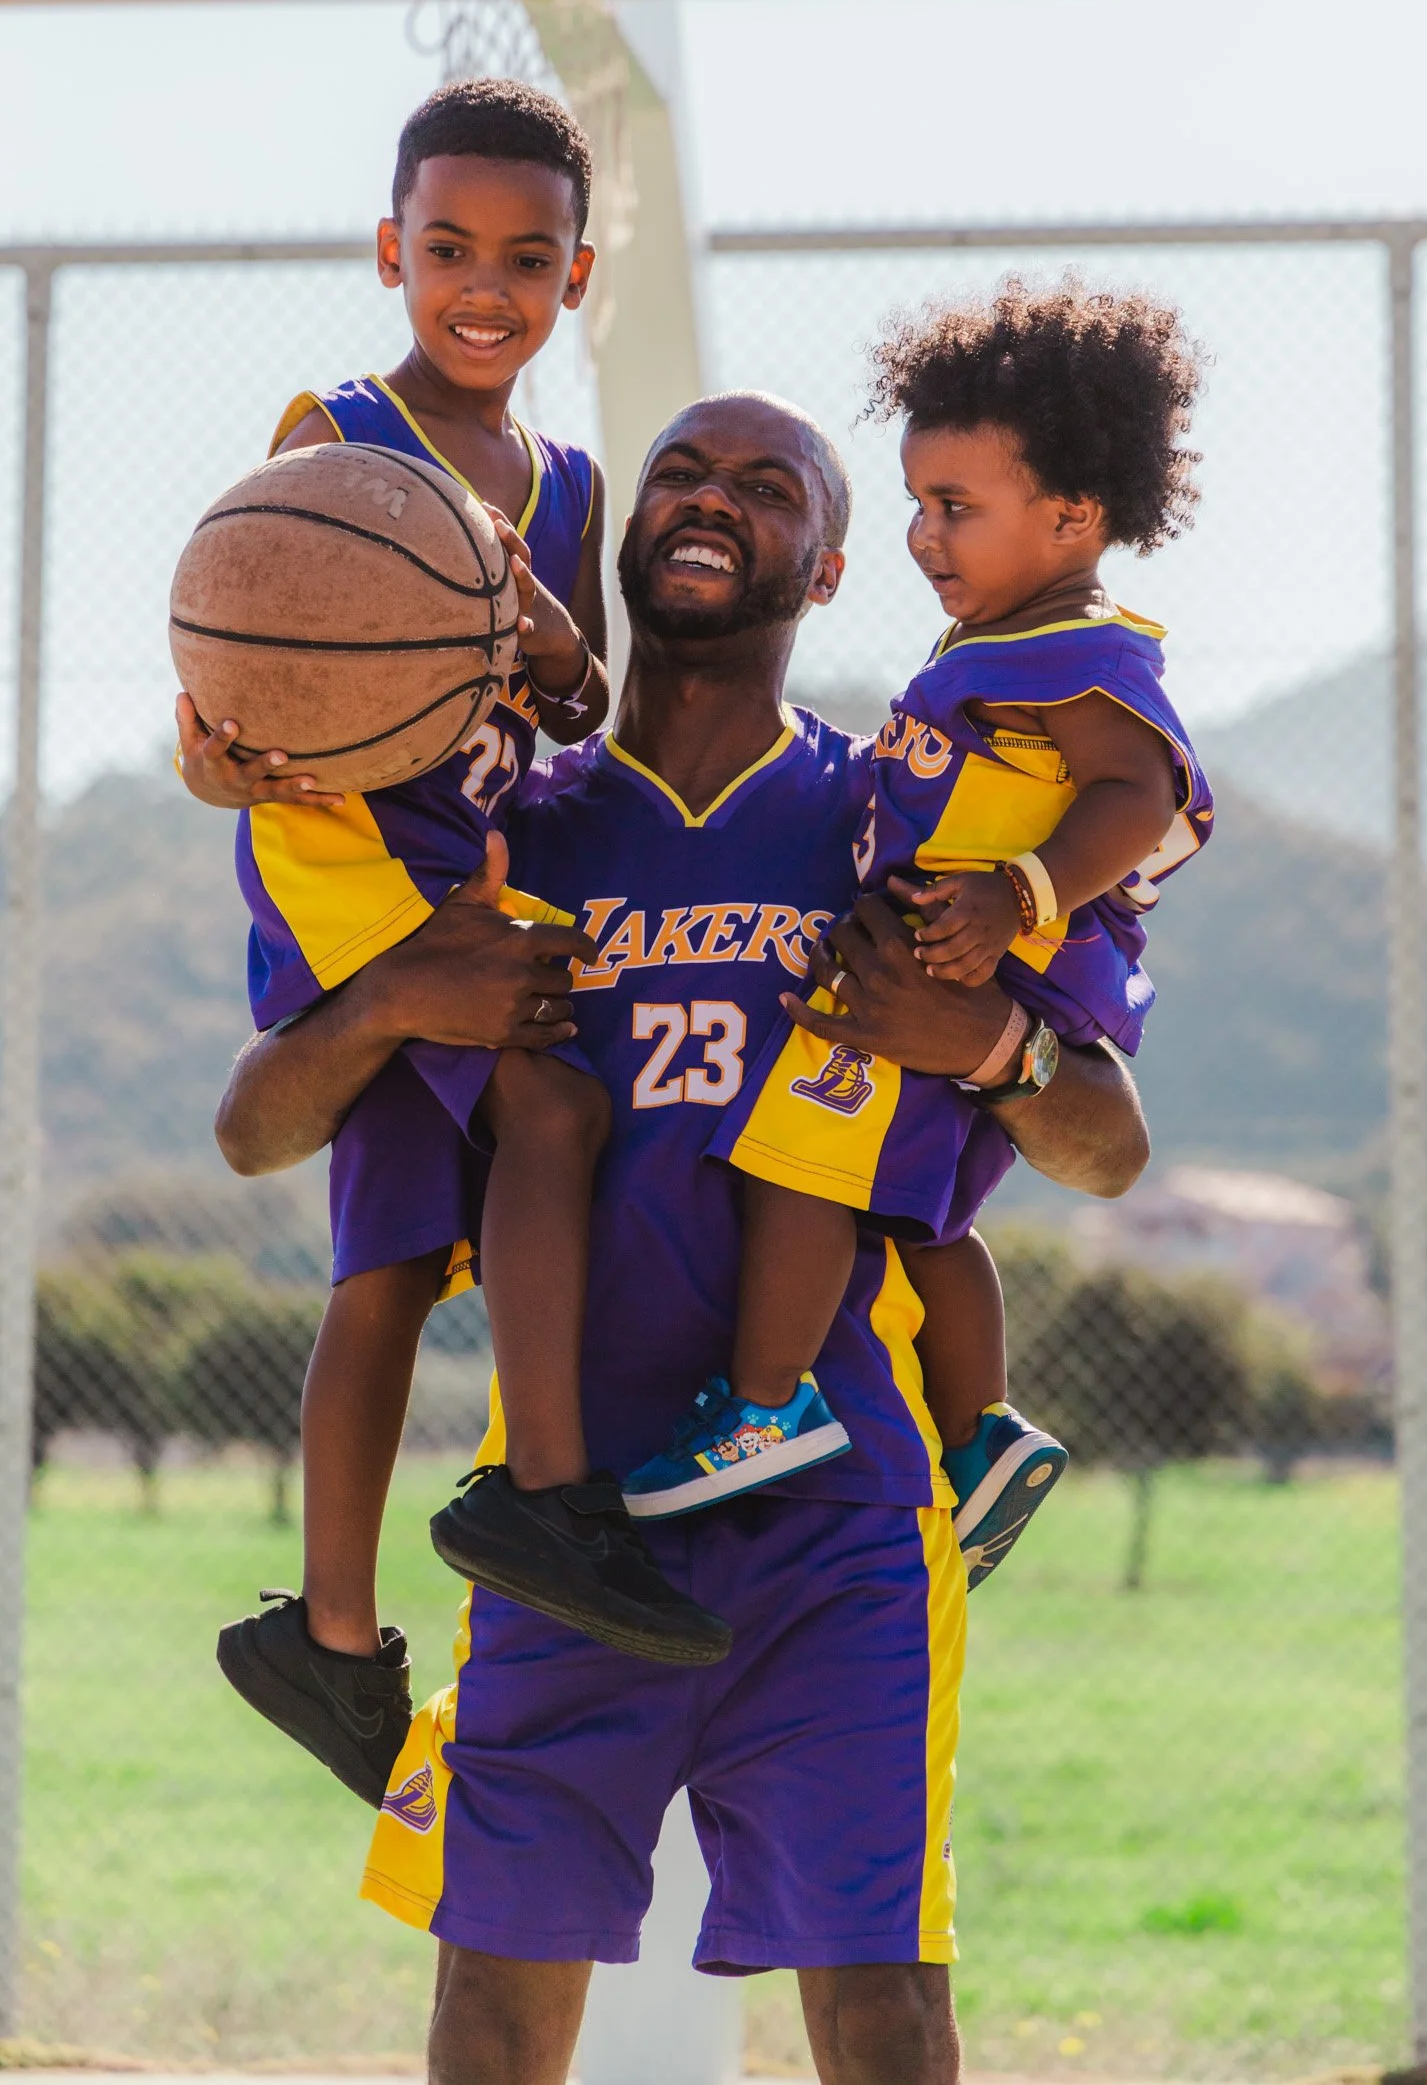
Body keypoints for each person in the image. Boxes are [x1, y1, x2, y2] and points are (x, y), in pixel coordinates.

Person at [214, 391, 1152, 2085]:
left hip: (841, 1518)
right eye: (678, 474)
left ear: (834, 559)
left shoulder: (900, 817)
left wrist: (984, 1045)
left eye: (765, 484)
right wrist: (400, 995)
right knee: (495, 2004)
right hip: (567, 1524)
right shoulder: (507, 825)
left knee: (881, 2007)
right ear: (624, 538)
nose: (711, 501)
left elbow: (1105, 1144)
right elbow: (259, 1128)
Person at [181, 78, 730, 1813]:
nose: (478, 284)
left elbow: (572, 699)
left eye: (522, 254)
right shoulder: (336, 435)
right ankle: (541, 1496)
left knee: (391, 1269)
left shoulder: (567, 483)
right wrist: (211, 739)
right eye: (443, 249)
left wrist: (552, 636)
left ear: (577, 277)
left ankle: (332, 1642)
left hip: (480, 857)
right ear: (387, 253)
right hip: (356, 867)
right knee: (553, 1118)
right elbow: (251, 627)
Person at [623, 277, 1212, 1592]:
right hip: (959, 964)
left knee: (801, 1172)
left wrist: (1022, 895)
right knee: (920, 1221)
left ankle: (765, 1405)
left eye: (956, 508)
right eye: (916, 503)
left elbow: (1142, 794)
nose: (923, 535)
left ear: (1067, 516)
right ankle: (982, 1428)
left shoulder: (1078, 651)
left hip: (973, 967)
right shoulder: (1005, 643)